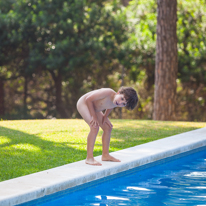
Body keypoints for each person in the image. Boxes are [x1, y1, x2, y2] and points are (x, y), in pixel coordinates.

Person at [76, 87, 138, 166]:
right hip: (84, 103)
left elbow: (111, 105)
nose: (120, 103)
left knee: (108, 128)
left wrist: (105, 116)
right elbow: (88, 99)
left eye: (124, 104)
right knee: (94, 127)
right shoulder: (108, 92)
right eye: (122, 99)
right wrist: (94, 117)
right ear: (118, 92)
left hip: (95, 109)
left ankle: (105, 155)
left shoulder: (116, 101)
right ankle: (89, 158)